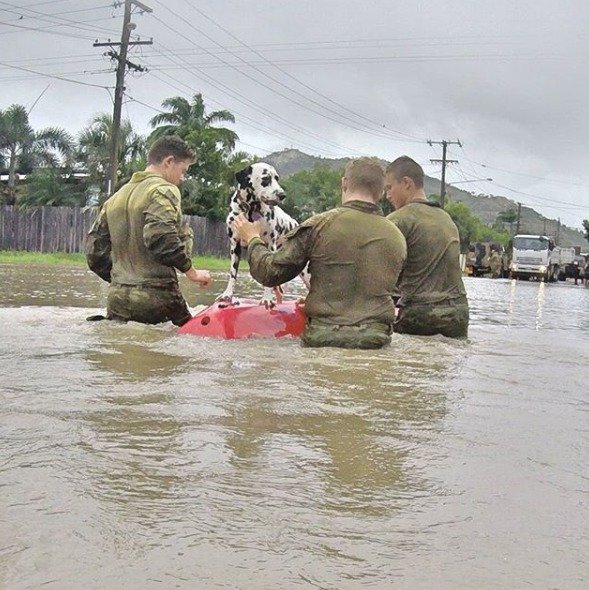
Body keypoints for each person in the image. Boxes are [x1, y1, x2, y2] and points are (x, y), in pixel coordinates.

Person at [233, 157, 407, 349]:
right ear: (382, 192)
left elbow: (269, 273)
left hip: (323, 339)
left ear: (344, 183)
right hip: (376, 341)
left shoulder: (318, 225)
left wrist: (253, 239)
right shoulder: (397, 236)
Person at [86, 135, 211, 326]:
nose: (182, 178)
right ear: (169, 162)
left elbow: (94, 253)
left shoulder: (116, 197)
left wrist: (123, 282)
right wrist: (192, 272)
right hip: (157, 298)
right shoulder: (163, 190)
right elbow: (161, 238)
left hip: (117, 299)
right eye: (183, 170)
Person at [384, 156, 469, 338]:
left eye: (390, 188)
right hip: (459, 314)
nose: (387, 195)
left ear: (407, 183)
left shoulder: (398, 219)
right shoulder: (447, 219)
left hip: (421, 314)